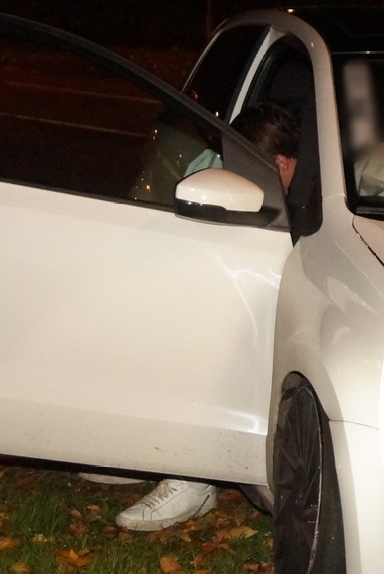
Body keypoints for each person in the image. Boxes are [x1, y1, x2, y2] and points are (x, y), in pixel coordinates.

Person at [101, 102, 300, 531]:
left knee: (210, 343)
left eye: (248, 169)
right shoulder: (215, 165)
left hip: (289, 320)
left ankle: (190, 476)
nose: (236, 179)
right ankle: (153, 451)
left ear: (281, 164)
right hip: (235, 295)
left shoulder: (319, 190)